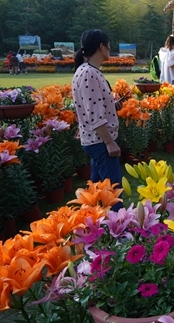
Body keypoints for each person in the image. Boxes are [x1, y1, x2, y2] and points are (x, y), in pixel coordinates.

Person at [71, 29, 124, 211]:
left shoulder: (86, 71)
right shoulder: (89, 74)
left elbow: (92, 105)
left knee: (96, 193)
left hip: (95, 141)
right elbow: (94, 115)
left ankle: (95, 231)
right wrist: (110, 143)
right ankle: (120, 235)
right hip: (100, 142)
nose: (110, 48)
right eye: (108, 44)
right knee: (113, 195)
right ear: (102, 47)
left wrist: (112, 105)